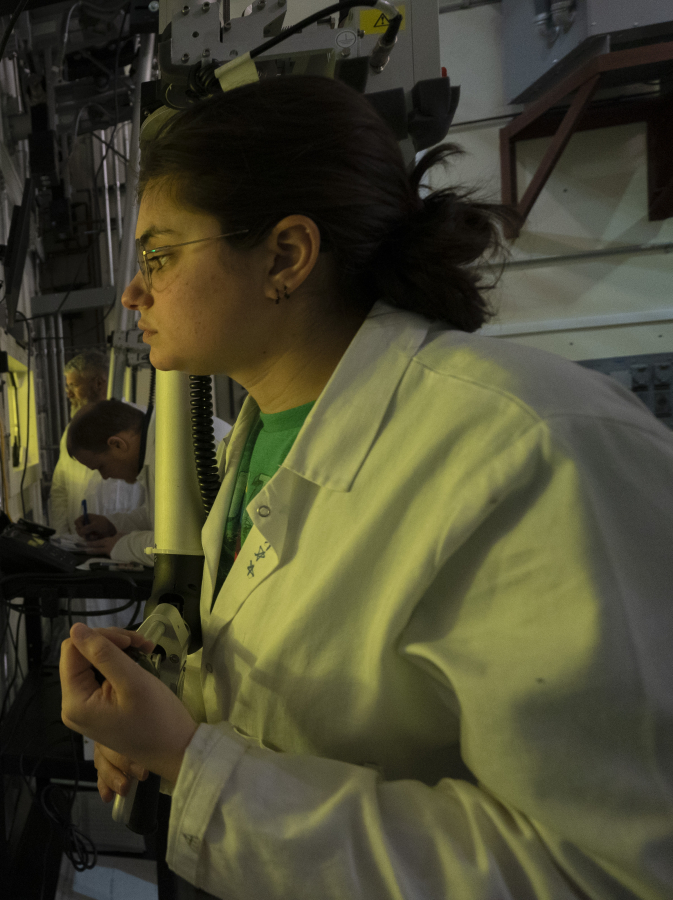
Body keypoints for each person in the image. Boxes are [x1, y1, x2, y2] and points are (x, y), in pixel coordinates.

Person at [57, 75, 673, 899]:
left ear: (286, 255)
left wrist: (192, 764)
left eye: (159, 255)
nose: (135, 291)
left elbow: (599, 873)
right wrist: (158, 725)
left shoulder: (534, 449)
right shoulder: (264, 435)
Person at [69, 398, 228, 565]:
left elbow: (179, 544)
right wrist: (112, 525)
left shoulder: (174, 449)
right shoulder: (159, 441)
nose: (105, 477)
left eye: (101, 467)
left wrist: (122, 545)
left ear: (117, 444)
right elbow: (164, 516)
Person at [46, 350, 143, 534]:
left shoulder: (137, 425)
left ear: (98, 383)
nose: (68, 394)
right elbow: (60, 488)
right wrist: (61, 535)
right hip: (82, 544)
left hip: (128, 542)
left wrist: (121, 534)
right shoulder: (72, 432)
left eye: (73, 385)